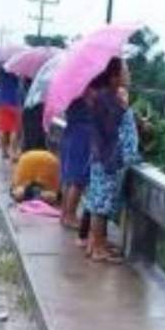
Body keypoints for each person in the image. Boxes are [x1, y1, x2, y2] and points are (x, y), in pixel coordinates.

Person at [84, 58, 141, 262]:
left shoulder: (105, 97)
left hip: (104, 157)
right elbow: (114, 129)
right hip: (108, 159)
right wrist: (124, 106)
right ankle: (98, 248)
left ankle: (95, 243)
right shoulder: (107, 99)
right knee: (102, 205)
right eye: (125, 71)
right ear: (113, 77)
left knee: (99, 202)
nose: (129, 74)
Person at [59, 91, 95, 245]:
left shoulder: (71, 89)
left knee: (69, 176)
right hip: (83, 135)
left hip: (70, 131)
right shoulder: (86, 92)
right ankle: (71, 215)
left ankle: (64, 213)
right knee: (78, 179)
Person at [0, 66, 21, 160]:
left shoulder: (1, 70)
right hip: (14, 102)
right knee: (14, 128)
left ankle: (3, 152)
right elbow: (18, 84)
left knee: (3, 128)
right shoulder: (15, 69)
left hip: (2, 101)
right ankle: (12, 153)